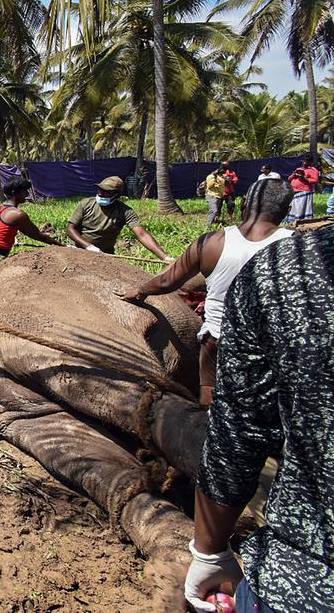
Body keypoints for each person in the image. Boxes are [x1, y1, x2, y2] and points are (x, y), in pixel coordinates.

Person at [182, 227, 334, 613]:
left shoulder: (283, 265)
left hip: (301, 582)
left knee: (217, 395)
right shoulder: (286, 251)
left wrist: (210, 552)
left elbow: (237, 436)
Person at [116, 179, 294, 406]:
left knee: (210, 400)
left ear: (244, 204)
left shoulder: (212, 242)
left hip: (217, 337)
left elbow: (167, 281)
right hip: (270, 342)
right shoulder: (295, 245)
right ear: (287, 211)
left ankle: (208, 431)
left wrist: (140, 292)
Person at [66, 176, 171, 260]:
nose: (100, 193)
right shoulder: (86, 204)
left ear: (116, 195)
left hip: (105, 255)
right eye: (100, 189)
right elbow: (70, 229)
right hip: (79, 251)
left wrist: (165, 257)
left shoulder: (125, 211)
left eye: (106, 191)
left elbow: (142, 234)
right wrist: (88, 246)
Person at [0, 178, 63, 270]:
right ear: (15, 193)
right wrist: (61, 246)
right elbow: (37, 235)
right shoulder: (17, 214)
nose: (27, 194)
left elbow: (27, 232)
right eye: (24, 191)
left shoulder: (3, 209)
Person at [285, 155, 320, 223]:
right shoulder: (299, 169)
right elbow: (289, 178)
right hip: (294, 191)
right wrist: (294, 175)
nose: (304, 163)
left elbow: (315, 180)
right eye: (304, 161)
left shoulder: (313, 170)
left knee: (301, 207)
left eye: (306, 161)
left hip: (304, 192)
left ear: (310, 162)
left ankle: (302, 220)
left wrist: (304, 178)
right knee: (294, 207)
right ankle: (293, 220)